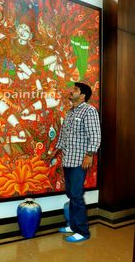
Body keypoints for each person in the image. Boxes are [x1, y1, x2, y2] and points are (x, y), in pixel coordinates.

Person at [47, 82, 101, 243]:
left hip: (79, 161)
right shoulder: (70, 113)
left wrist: (90, 154)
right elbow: (64, 136)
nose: (72, 92)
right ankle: (73, 225)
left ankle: (83, 231)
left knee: (76, 196)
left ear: (83, 95)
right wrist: (56, 151)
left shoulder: (89, 111)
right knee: (71, 194)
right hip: (68, 160)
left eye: (75, 90)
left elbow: (95, 135)